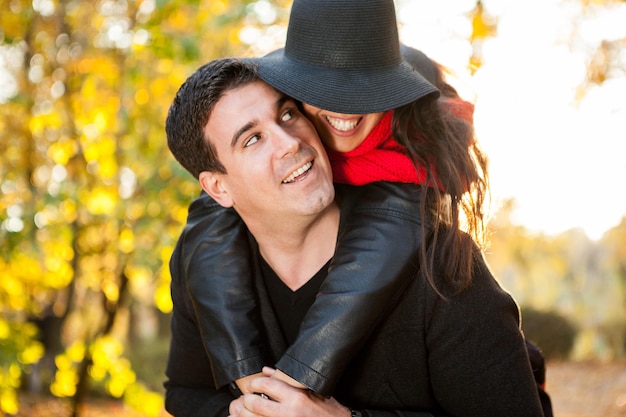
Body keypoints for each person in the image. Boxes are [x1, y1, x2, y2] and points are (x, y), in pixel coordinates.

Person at [164, 56, 546, 416]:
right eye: (252, 139)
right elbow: (186, 392)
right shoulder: (197, 266)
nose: (290, 142)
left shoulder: (441, 264)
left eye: (287, 113)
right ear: (217, 188)